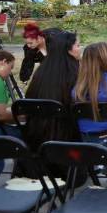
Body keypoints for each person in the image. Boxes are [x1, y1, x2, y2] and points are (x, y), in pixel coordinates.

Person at [23, 31, 84, 183]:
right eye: (78, 45)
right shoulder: (76, 74)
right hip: (68, 154)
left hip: (38, 147)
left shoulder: (41, 72)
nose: (80, 48)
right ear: (68, 50)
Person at [0, 50, 21, 180]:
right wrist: (22, 116)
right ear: (2, 62)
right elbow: (1, 115)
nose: (10, 73)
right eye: (10, 68)